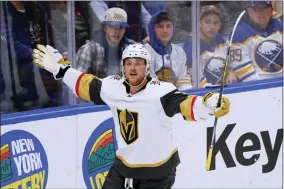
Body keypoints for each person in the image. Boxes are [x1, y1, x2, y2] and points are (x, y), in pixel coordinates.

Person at [32, 43, 230, 189]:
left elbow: (187, 105)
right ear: (123, 67)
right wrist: (61, 69)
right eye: (128, 63)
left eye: (138, 63)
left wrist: (208, 104)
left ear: (147, 67)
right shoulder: (113, 88)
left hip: (157, 172)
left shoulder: (161, 92)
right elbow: (85, 85)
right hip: (124, 166)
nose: (133, 68)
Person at [183, 5, 237, 87]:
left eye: (215, 23)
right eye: (207, 22)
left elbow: (230, 63)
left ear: (219, 25)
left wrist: (230, 72)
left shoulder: (220, 40)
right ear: (199, 23)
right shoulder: (191, 48)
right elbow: (197, 82)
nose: (212, 27)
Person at [230, 1, 283, 82]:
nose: (261, 12)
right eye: (256, 9)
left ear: (271, 9)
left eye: (264, 8)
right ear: (249, 11)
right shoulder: (238, 34)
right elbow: (243, 72)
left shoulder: (280, 28)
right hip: (257, 88)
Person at [76, 7, 135, 78]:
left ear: (125, 29)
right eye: (113, 27)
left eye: (121, 27)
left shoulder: (132, 47)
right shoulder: (89, 49)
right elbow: (79, 81)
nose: (117, 31)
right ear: (105, 27)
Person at [145, 10, 192, 90]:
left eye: (169, 26)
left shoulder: (179, 51)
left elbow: (184, 82)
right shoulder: (144, 52)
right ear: (153, 29)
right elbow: (149, 87)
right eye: (160, 26)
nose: (165, 30)